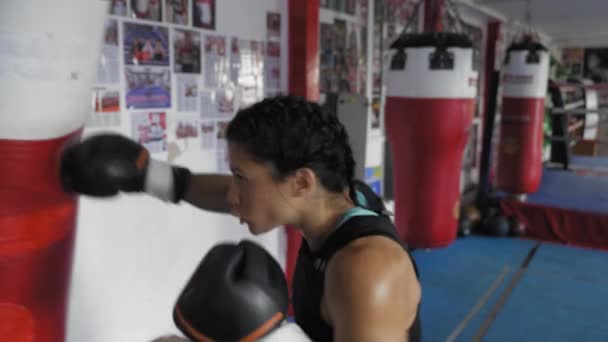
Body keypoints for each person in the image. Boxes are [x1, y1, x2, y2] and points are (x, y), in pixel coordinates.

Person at [60, 95, 422, 341]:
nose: (232, 195)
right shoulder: (339, 199)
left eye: (241, 178)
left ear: (301, 181)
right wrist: (152, 177)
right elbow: (231, 196)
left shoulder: (367, 269)